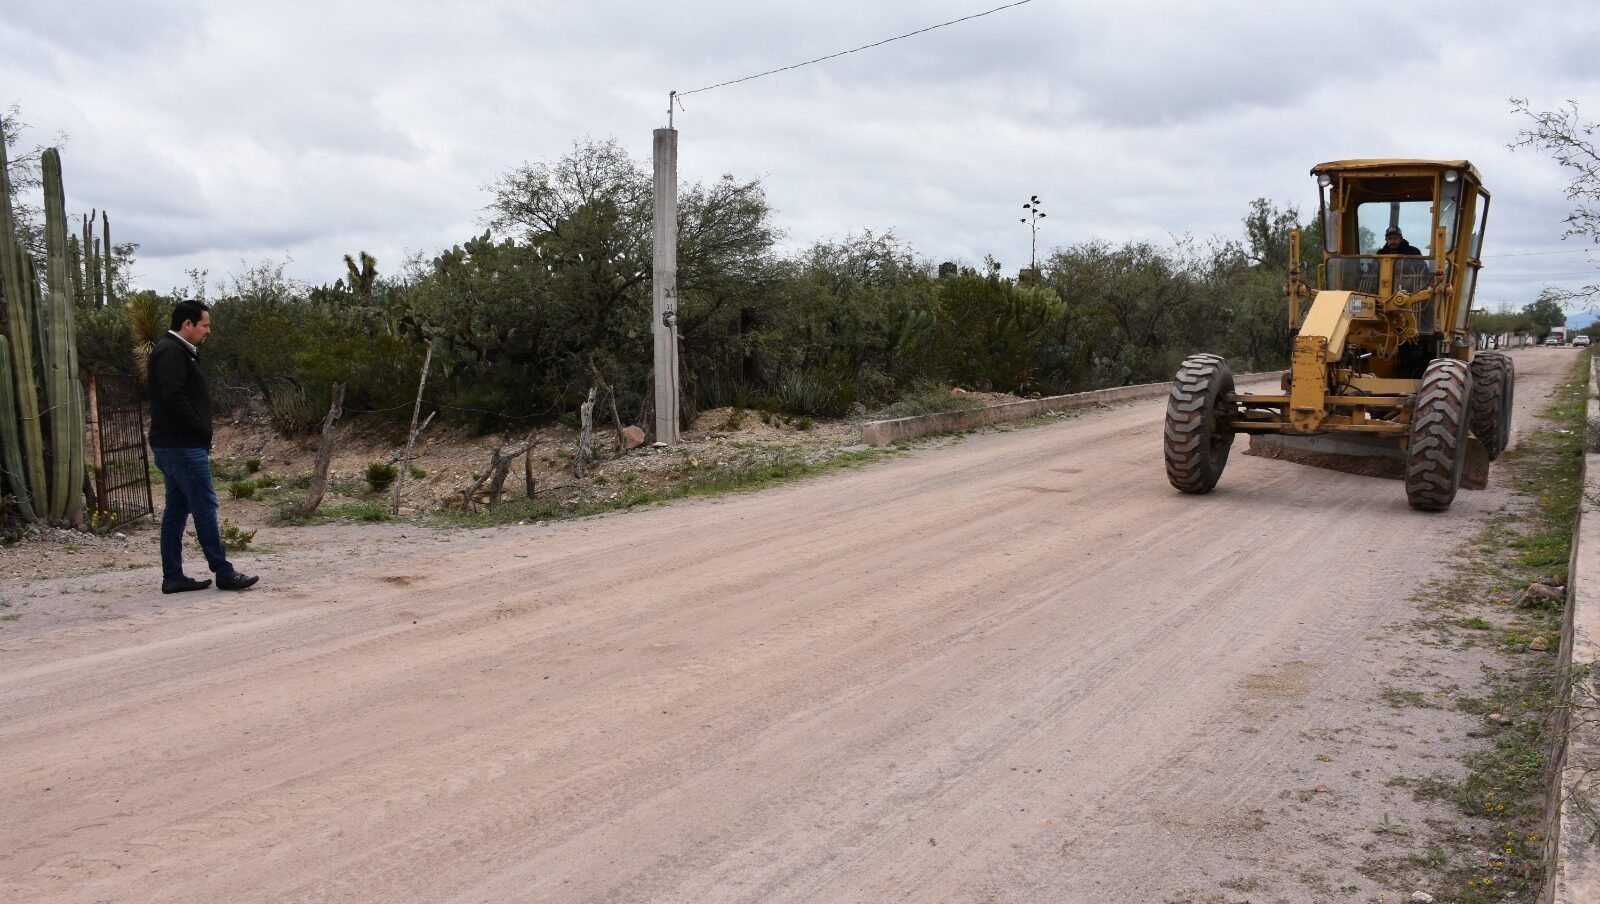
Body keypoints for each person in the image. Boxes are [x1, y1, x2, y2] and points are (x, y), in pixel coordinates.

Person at [148, 300, 259, 594]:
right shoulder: (172, 352)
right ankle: (223, 572)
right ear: (188, 324)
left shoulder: (174, 351)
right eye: (205, 325)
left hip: (172, 444)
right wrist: (198, 428)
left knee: (176, 509)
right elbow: (173, 397)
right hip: (182, 446)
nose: (208, 331)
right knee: (204, 506)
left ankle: (173, 576)